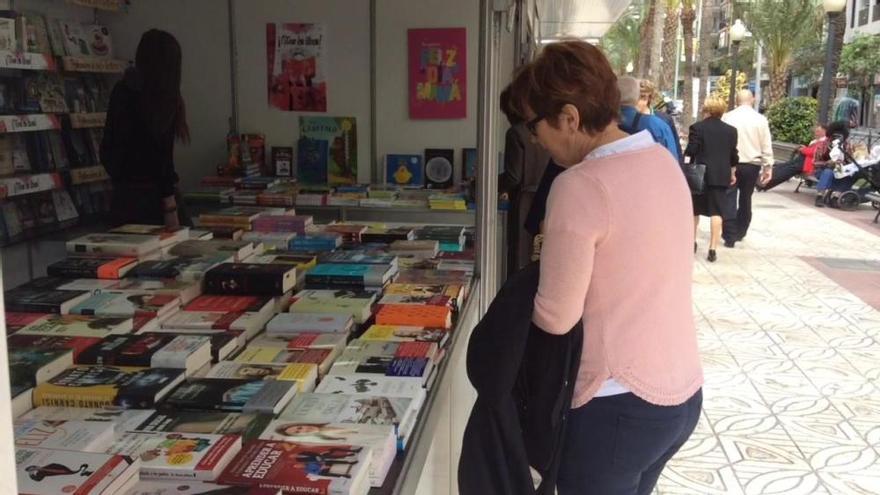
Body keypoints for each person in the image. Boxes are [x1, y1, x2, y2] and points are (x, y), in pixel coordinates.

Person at [509, 40, 702, 495]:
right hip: (680, 394)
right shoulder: (661, 159)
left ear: (570, 117)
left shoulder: (581, 185)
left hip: (613, 406)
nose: (534, 138)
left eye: (534, 125)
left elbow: (556, 316)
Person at [102, 29, 191, 229]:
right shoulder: (163, 98)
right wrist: (170, 207)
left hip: (124, 200)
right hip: (157, 201)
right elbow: (163, 160)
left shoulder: (122, 91)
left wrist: (123, 182)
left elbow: (107, 151)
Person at [499, 85, 553, 274]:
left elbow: (513, 176)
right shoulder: (547, 130)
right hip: (545, 198)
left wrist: (488, 184)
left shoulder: (516, 133)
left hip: (524, 201)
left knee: (519, 255)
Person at [685, 97, 738, 263]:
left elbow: (690, 151)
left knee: (695, 211)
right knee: (717, 212)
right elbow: (733, 155)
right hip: (721, 175)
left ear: (706, 109)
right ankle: (713, 249)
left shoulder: (697, 128)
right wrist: (732, 172)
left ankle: (691, 243)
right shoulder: (731, 130)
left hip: (700, 175)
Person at [721, 90, 773, 247]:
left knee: (729, 198)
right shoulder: (760, 119)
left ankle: (729, 234)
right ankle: (741, 230)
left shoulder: (727, 117)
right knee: (746, 199)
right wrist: (768, 166)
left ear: (736, 100)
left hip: (731, 164)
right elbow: (766, 144)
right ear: (753, 100)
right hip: (752, 164)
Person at [617, 76, 680, 161]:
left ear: (649, 99)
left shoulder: (663, 121)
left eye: (643, 98)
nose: (639, 102)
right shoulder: (658, 125)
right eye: (639, 97)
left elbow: (675, 156)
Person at [759, 124, 826, 191]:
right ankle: (761, 180)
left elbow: (813, 152)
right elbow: (810, 151)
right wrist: (805, 149)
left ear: (824, 132)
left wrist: (802, 149)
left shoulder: (824, 141)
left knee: (785, 171)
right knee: (782, 167)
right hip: (802, 161)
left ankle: (764, 184)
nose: (815, 133)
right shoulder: (817, 141)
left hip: (806, 164)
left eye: (818, 131)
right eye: (816, 131)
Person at [638, 79, 683, 162]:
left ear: (649, 98)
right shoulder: (624, 120)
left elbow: (676, 150)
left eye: (642, 97)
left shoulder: (664, 119)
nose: (637, 102)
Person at [814, 120, 856, 207]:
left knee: (850, 175)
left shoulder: (846, 145)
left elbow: (850, 161)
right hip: (822, 170)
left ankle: (835, 198)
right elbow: (815, 162)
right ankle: (820, 196)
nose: (837, 138)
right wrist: (826, 163)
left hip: (839, 170)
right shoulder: (823, 144)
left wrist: (843, 163)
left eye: (840, 136)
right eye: (835, 136)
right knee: (828, 172)